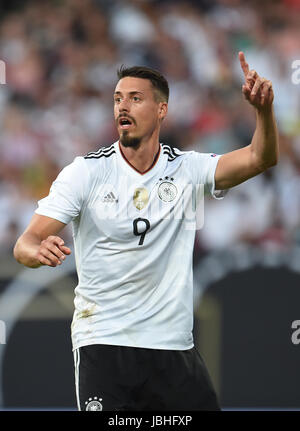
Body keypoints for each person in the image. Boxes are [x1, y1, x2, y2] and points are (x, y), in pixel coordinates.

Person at [13, 52, 279, 411]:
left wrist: (263, 111)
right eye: (118, 99)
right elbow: (25, 243)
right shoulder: (85, 174)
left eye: (135, 98)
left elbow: (259, 158)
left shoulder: (187, 169)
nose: (123, 106)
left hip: (172, 347)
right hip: (104, 343)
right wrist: (37, 252)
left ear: (161, 110)